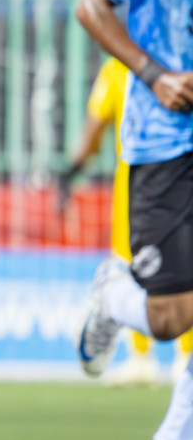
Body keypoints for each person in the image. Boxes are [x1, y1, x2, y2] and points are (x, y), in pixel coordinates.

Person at [74, 0, 193, 440]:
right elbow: (91, 2)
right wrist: (152, 74)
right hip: (164, 141)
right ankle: (111, 299)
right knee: (172, 316)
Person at [59, 58, 160, 384]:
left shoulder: (122, 66)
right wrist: (70, 174)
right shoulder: (119, 67)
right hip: (140, 186)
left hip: (152, 184)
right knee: (137, 270)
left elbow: (93, 131)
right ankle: (141, 355)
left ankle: (164, 359)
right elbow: (94, 127)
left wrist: (69, 174)